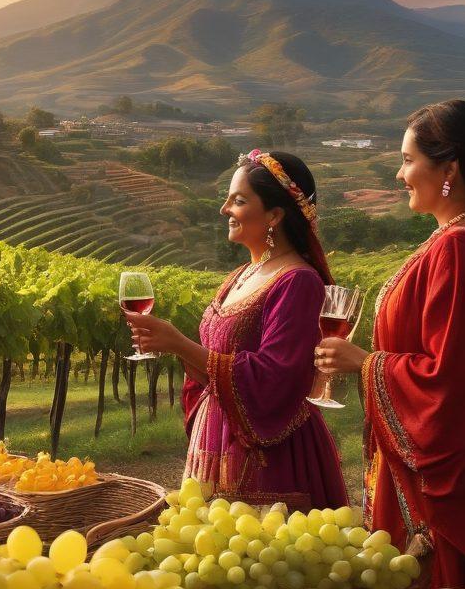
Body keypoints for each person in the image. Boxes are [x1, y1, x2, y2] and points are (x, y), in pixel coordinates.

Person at [315, 101, 465, 589]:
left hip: (448, 487)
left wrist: (365, 363)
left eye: (407, 160)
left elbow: (450, 382)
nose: (400, 173)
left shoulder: (459, 249)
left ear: (448, 169)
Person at [123, 149, 348, 510]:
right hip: (218, 439)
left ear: (275, 215)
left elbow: (274, 380)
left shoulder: (298, 282)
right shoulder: (238, 278)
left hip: (270, 457)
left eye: (238, 201)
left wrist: (178, 342)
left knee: (257, 558)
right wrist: (176, 347)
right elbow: (212, 370)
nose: (224, 210)